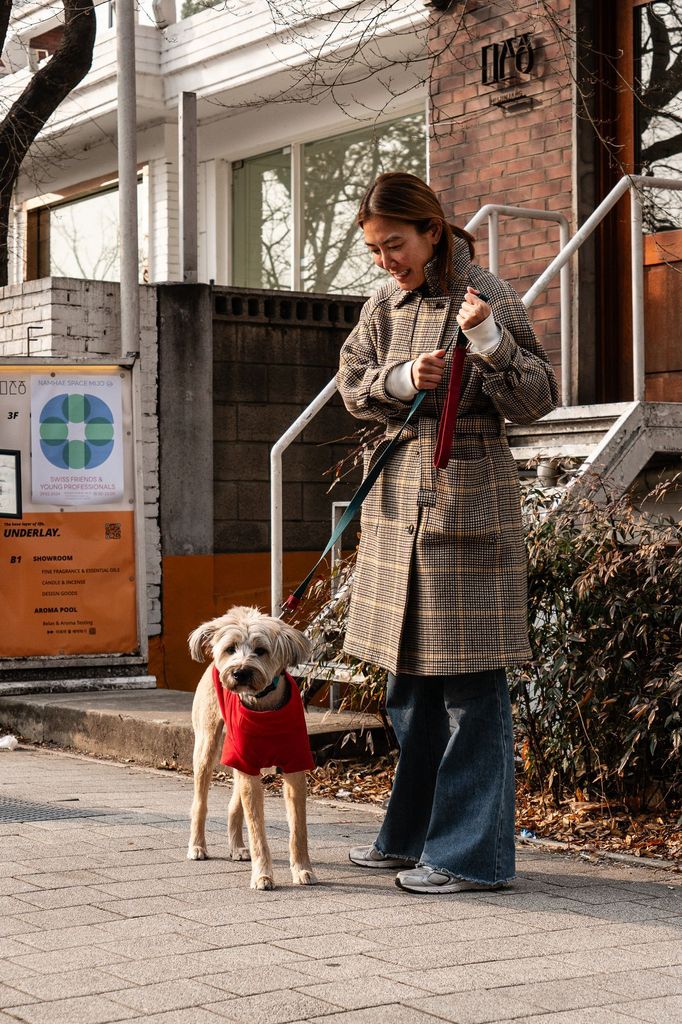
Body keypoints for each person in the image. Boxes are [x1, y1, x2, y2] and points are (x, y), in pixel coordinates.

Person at [336, 172, 558, 894]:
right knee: (408, 690)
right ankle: (409, 838)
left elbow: (537, 400)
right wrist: (402, 379)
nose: (384, 262)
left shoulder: (484, 292)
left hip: (467, 499)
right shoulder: (381, 303)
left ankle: (469, 857)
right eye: (374, 250)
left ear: (433, 230)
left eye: (393, 245)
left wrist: (486, 342)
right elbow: (352, 386)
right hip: (400, 503)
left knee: (468, 692)